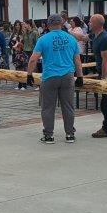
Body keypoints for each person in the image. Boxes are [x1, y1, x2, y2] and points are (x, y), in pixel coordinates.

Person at [26, 14, 83, 144]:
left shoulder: (43, 39)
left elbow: (33, 59)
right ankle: (70, 134)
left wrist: (29, 74)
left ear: (48, 25)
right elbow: (77, 60)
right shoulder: (71, 39)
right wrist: (80, 76)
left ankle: (49, 135)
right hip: (68, 76)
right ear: (61, 24)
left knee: (48, 107)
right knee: (68, 106)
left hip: (50, 76)